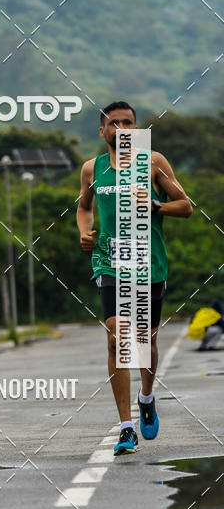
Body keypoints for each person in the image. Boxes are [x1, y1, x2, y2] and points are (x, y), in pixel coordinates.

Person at [77, 101, 192, 456]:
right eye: (115, 124)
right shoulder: (91, 169)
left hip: (149, 264)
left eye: (129, 123)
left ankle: (146, 396)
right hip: (110, 263)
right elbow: (84, 207)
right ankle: (126, 427)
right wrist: (85, 231)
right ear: (103, 131)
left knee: (145, 341)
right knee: (117, 338)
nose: (122, 129)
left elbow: (185, 206)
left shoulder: (153, 162)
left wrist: (155, 206)